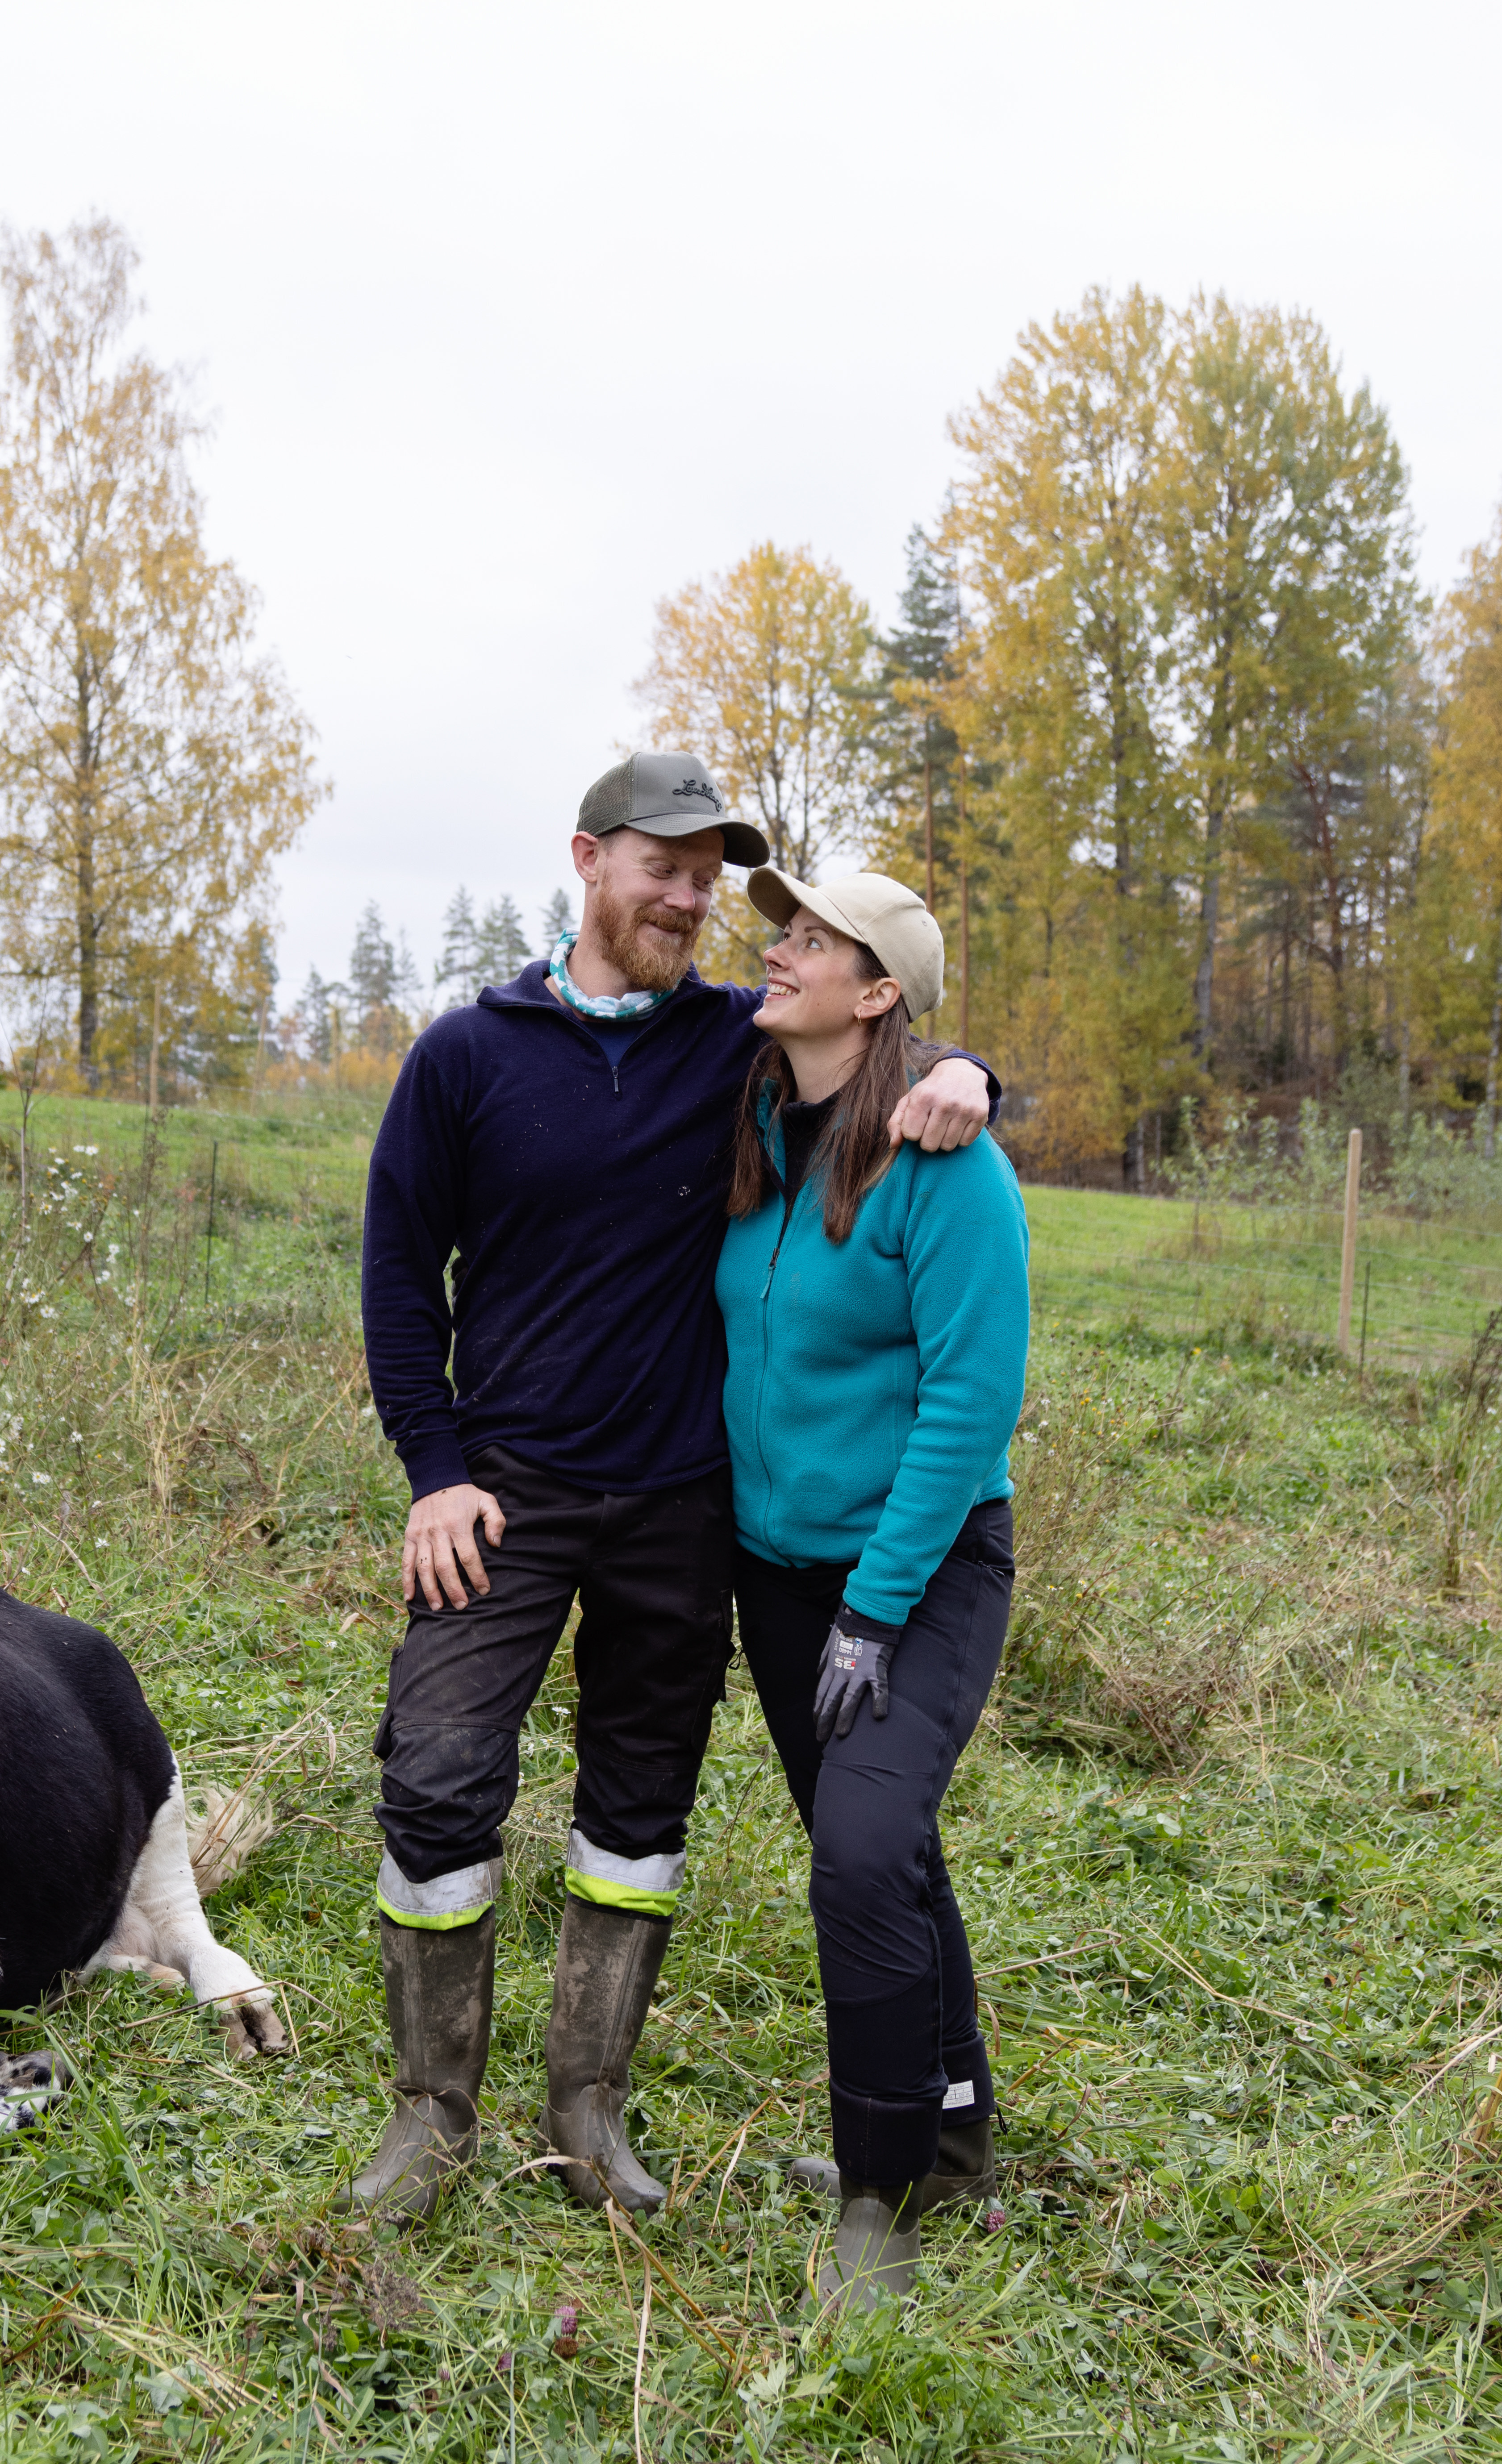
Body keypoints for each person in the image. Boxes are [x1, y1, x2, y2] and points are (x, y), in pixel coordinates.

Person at [351, 751, 999, 2224]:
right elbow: (398, 1272)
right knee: (440, 1773)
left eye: (712, 874)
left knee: (641, 1803)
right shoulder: (466, 1054)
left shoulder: (739, 1045)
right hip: (503, 1495)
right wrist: (433, 1472)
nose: (693, 897)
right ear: (588, 858)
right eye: (665, 864)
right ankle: (430, 2113)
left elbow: (886, 1053)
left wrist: (973, 1071)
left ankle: (588, 2108)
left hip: (678, 1505)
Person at [717, 866, 1030, 2309]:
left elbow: (971, 1399)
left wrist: (875, 1605)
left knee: (855, 1856)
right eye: (780, 934)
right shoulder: (753, 1106)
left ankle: (879, 2192)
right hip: (778, 1578)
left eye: (811, 941)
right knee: (883, 1847)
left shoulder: (948, 1165)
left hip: (920, 1571)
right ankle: (954, 2130)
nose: (775, 953)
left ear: (881, 988)